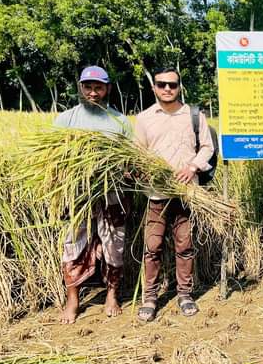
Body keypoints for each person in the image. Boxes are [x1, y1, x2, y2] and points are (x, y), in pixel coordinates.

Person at [134, 67, 214, 321]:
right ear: (154, 87)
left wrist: (192, 167)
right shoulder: (144, 118)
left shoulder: (193, 115)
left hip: (187, 195)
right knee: (153, 246)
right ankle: (150, 298)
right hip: (156, 195)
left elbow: (208, 147)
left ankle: (185, 295)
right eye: (162, 84)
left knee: (185, 245)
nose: (167, 89)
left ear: (179, 87)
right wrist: (146, 172)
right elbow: (139, 154)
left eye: (172, 84)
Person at [55, 65, 132, 324]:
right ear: (80, 88)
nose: (93, 92)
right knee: (72, 244)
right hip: (77, 196)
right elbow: (53, 160)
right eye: (87, 87)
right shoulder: (66, 120)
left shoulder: (120, 122)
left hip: (112, 195)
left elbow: (131, 160)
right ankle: (73, 300)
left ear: (107, 88)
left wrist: (126, 171)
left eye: (98, 87)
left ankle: (112, 295)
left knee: (114, 245)